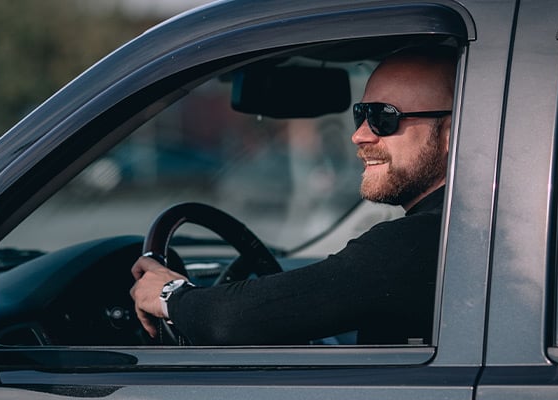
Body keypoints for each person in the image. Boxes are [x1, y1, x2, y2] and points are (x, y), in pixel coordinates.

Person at [130, 47, 456, 345]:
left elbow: (233, 320)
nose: (358, 135)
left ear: (451, 134)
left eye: (384, 118)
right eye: (361, 114)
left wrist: (170, 295)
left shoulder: (425, 240)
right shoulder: (462, 230)